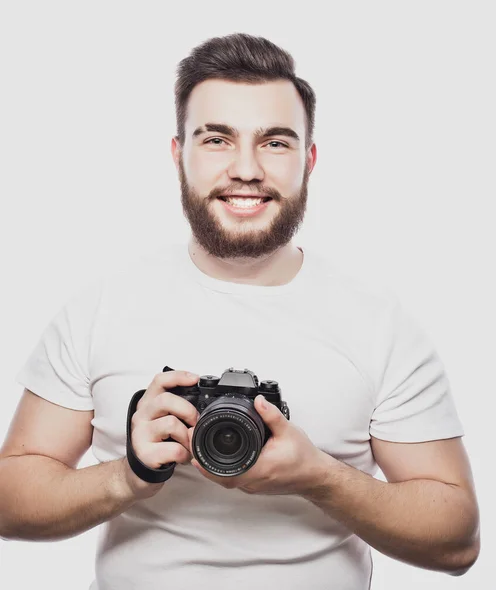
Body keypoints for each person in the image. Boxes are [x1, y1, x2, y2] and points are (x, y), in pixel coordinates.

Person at [0, 33, 480, 590]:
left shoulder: (381, 325)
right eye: (217, 140)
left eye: (275, 142)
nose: (246, 169)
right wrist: (129, 476)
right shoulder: (99, 309)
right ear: (179, 155)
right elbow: (9, 504)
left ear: (310, 159)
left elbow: (458, 543)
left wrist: (319, 477)